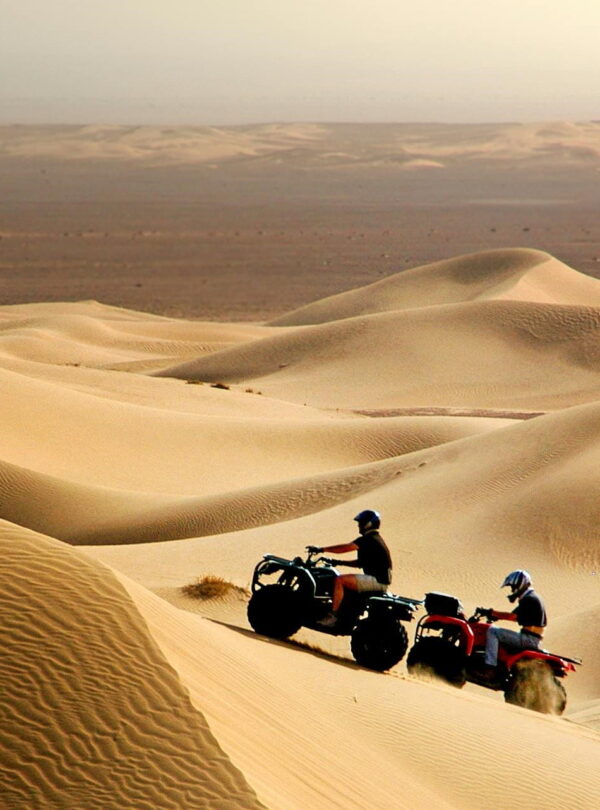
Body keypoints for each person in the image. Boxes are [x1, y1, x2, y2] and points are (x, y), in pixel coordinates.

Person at [307, 509, 392, 626]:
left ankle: (332, 616)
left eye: (361, 523)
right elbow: (360, 563)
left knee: (339, 580)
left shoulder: (369, 539)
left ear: (368, 524)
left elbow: (346, 548)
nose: (358, 526)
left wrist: (321, 549)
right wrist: (338, 562)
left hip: (377, 580)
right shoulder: (375, 539)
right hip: (379, 580)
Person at [482, 570, 547, 677]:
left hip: (528, 639)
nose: (512, 590)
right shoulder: (532, 597)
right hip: (532, 639)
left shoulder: (529, 599)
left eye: (513, 587)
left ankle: (490, 667)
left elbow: (512, 616)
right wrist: (496, 616)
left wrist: (490, 612)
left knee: (492, 631)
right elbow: (515, 617)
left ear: (519, 585)